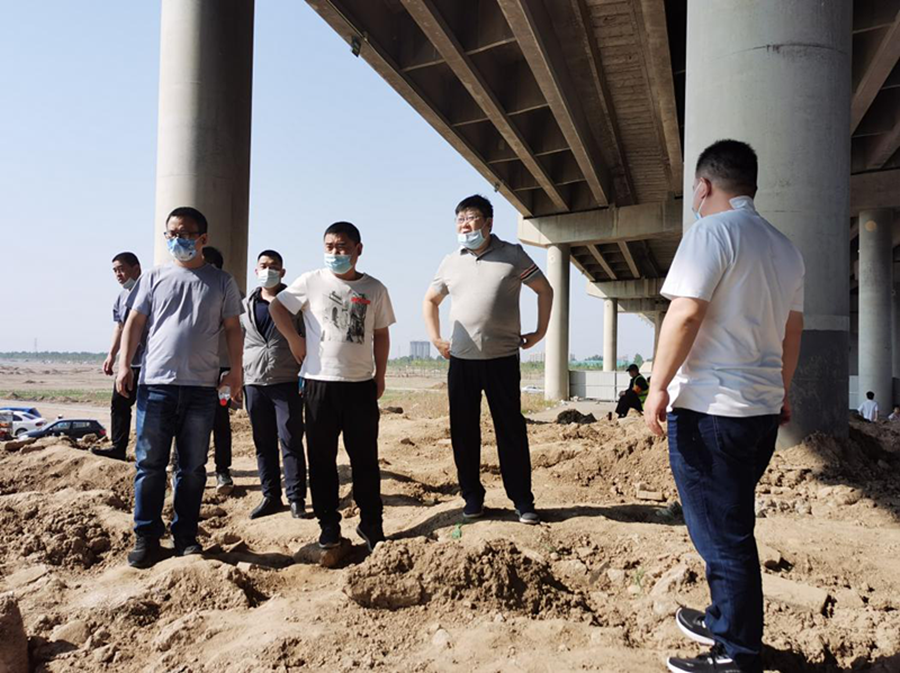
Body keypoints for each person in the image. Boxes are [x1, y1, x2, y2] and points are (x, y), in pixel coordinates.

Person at [643, 140, 805, 673]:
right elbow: (792, 330)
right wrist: (782, 389)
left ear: (704, 185)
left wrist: (657, 385)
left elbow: (686, 313)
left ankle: (737, 651)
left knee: (722, 535)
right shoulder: (785, 248)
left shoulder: (710, 233)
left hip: (711, 411)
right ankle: (723, 619)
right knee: (727, 522)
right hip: (758, 412)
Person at [116, 206, 243, 568]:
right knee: (150, 465)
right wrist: (124, 364)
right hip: (156, 385)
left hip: (201, 388)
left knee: (192, 468)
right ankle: (146, 537)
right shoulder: (154, 277)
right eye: (171, 234)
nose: (177, 240)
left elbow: (233, 329)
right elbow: (134, 322)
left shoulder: (222, 282)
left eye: (185, 234)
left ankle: (185, 536)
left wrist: (236, 371)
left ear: (203, 238)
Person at [423, 194, 554, 525]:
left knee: (510, 430)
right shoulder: (450, 262)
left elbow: (545, 289)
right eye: (460, 219)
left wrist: (540, 332)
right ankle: (472, 496)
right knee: (463, 431)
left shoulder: (512, 255)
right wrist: (436, 338)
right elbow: (430, 300)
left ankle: (522, 500)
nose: (465, 225)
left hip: (502, 360)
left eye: (471, 218)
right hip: (462, 361)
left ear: (489, 223)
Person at [269, 222, 394, 552]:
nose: (335, 253)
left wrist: (380, 375)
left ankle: (371, 523)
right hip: (319, 384)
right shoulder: (312, 281)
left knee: (365, 459)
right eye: (329, 247)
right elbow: (277, 307)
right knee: (321, 459)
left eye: (342, 247)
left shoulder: (375, 288)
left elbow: (381, 334)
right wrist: (294, 339)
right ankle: (328, 525)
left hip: (360, 385)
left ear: (358, 249)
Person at [242, 249, 309, 520]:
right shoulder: (245, 305)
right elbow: (238, 340)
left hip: (286, 380)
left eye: (273, 266)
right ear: (256, 270)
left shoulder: (294, 303)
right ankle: (270, 496)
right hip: (254, 381)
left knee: (290, 439)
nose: (267, 270)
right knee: (263, 441)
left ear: (282, 272)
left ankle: (296, 498)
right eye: (263, 265)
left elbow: (307, 336)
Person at [95, 252, 142, 461]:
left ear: (136, 268)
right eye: (115, 271)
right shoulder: (122, 297)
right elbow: (120, 327)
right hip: (128, 363)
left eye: (121, 269)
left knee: (148, 409)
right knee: (119, 402)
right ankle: (118, 447)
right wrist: (112, 355)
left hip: (149, 361)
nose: (118, 275)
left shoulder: (149, 292)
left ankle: (147, 453)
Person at [201, 245, 235, 495]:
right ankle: (184, 465)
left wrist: (236, 370)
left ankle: (223, 470)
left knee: (220, 420)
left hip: (222, 370)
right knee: (190, 420)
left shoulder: (231, 292)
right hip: (195, 370)